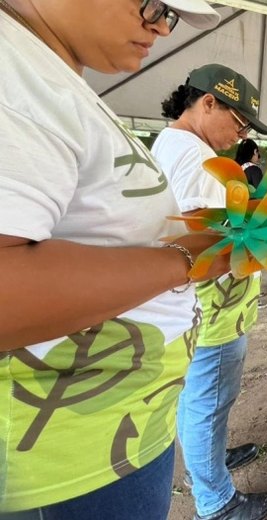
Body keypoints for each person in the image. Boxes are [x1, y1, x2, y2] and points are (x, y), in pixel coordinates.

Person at [0, 1, 231, 518]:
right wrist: (184, 261)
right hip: (62, 460)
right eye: (152, 3)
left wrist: (218, 234)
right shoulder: (13, 75)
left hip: (109, 433)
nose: (161, 27)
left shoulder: (49, 72)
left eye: (170, 14)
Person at [152, 63, 267, 520]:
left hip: (201, 307)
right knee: (209, 400)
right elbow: (199, 245)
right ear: (208, 102)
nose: (240, 134)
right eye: (238, 122)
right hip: (214, 310)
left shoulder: (174, 143)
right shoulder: (195, 157)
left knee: (199, 398)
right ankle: (216, 501)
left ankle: (207, 464)